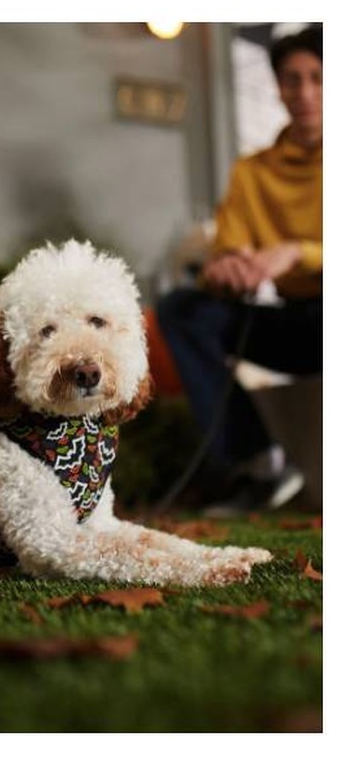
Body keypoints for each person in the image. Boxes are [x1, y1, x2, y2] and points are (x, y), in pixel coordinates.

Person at [156, 27, 322, 515]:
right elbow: (228, 249)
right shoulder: (253, 172)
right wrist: (228, 267)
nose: (305, 93)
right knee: (184, 310)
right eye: (292, 80)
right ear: (279, 87)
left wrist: (296, 253)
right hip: (295, 323)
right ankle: (257, 462)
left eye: (318, 77)